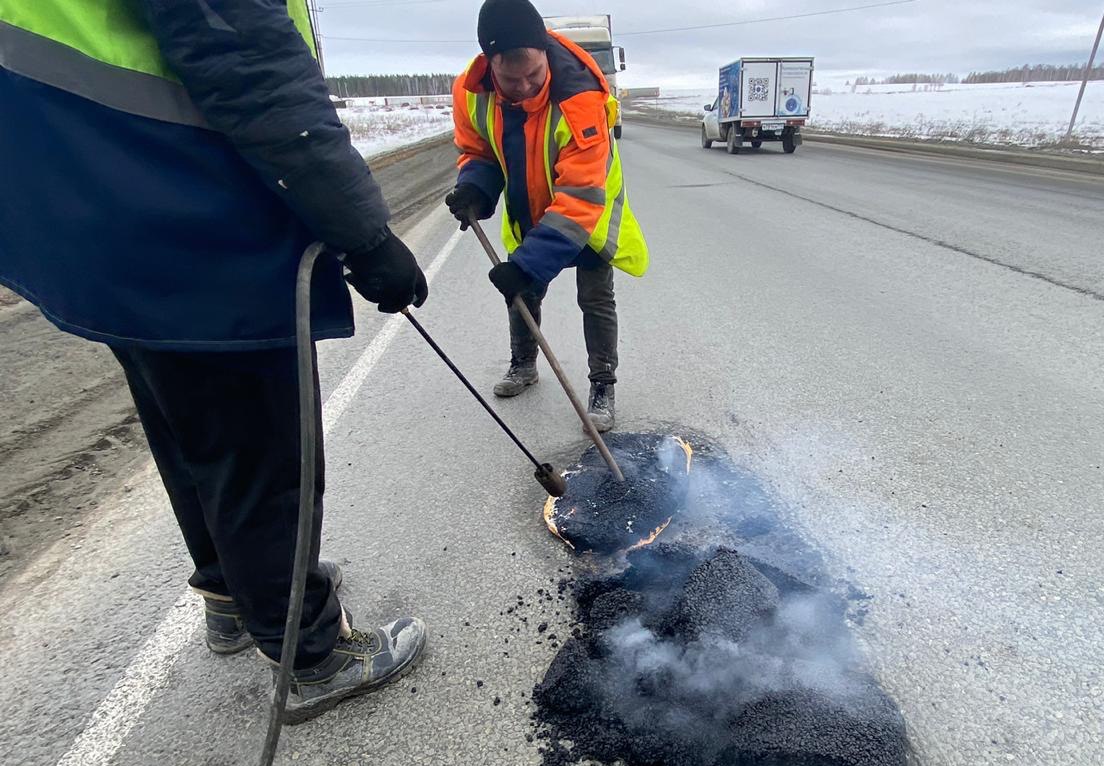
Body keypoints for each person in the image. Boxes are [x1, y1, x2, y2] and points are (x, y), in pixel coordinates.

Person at [0, 0, 428, 723]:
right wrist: (362, 232)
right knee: (261, 448)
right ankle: (312, 656)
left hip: (95, 209)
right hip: (190, 209)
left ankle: (234, 595)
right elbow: (252, 66)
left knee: (188, 427)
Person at [445, 0, 648, 433]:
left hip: (587, 214)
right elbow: (479, 151)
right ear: (489, 63)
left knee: (595, 298)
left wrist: (528, 265)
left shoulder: (581, 98)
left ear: (544, 54)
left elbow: (579, 197)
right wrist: (475, 190)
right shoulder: (470, 90)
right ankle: (524, 365)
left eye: (534, 76)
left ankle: (603, 386)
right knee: (522, 294)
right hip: (529, 207)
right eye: (510, 79)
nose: (523, 88)